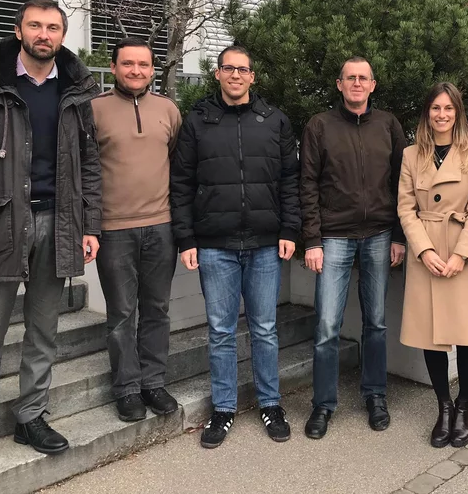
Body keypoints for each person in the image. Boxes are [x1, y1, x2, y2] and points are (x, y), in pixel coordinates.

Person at [0, 0, 101, 481]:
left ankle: (30, 417)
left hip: (58, 223)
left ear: (63, 36)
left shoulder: (76, 90)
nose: (44, 34)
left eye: (53, 27)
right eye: (35, 25)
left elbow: (89, 165)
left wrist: (90, 225)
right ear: (19, 30)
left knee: (43, 331)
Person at [170, 45, 300, 448]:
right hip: (215, 245)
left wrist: (290, 231)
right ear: (218, 74)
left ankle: (270, 402)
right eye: (229, 69)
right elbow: (181, 184)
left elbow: (290, 182)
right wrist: (186, 237)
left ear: (253, 77)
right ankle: (223, 408)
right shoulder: (197, 123)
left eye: (243, 70)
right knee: (222, 331)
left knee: (264, 328)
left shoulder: (274, 121)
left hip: (264, 244)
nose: (236, 76)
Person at [301, 56, 407, 439]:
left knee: (375, 322)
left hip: (380, 234)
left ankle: (375, 395)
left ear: (373, 85)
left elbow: (403, 183)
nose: (357, 83)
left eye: (364, 78)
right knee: (327, 324)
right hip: (333, 238)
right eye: (351, 78)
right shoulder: (320, 125)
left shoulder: (388, 125)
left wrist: (398, 235)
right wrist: (311, 240)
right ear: (339, 84)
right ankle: (323, 405)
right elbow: (307, 184)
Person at [92, 37, 182, 422]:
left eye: (144, 65)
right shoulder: (93, 110)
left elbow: (176, 161)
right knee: (122, 314)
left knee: (158, 310)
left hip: (161, 226)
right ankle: (127, 388)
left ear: (152, 69)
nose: (136, 71)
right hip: (114, 229)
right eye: (128, 64)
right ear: (113, 67)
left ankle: (153, 382)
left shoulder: (168, 110)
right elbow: (85, 171)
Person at [398, 82, 468, 449]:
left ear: (458, 112)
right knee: (431, 336)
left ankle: (464, 406)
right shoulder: (410, 155)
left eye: (448, 108)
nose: (441, 114)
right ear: (427, 112)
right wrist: (424, 251)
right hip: (427, 253)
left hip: (460, 252)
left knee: (466, 335)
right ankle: (444, 407)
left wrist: (460, 254)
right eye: (435, 108)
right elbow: (405, 207)